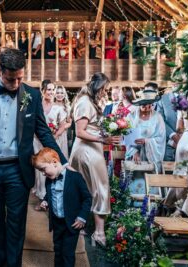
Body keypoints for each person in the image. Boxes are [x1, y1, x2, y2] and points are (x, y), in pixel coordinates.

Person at [0, 48, 66, 267]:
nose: (17, 84)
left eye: (20, 78)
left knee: (17, 224)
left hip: (18, 171)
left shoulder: (32, 95)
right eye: (11, 79)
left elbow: (43, 131)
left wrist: (63, 162)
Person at [69, 73, 115, 246]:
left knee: (89, 188)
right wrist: (103, 139)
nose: (105, 93)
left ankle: (84, 227)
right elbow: (80, 132)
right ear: (98, 87)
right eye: (104, 89)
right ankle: (99, 233)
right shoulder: (84, 102)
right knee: (99, 187)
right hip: (86, 150)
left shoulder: (89, 102)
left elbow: (91, 128)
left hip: (90, 148)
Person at [32, 147, 90, 267]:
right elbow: (50, 194)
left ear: (54, 162)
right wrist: (45, 201)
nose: (43, 173)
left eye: (43, 169)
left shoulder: (75, 177)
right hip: (57, 222)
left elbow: (87, 198)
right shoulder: (49, 180)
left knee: (67, 253)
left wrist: (82, 217)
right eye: (40, 171)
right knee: (58, 250)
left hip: (72, 223)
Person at [33, 81, 71, 211]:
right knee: (40, 168)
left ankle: (51, 198)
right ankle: (42, 197)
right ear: (42, 90)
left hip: (54, 140)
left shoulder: (58, 108)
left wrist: (52, 138)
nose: (51, 92)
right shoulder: (37, 106)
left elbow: (62, 126)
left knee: (53, 166)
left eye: (52, 90)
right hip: (37, 141)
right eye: (48, 89)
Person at [125, 88, 167, 172]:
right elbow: (127, 137)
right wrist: (134, 152)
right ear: (139, 104)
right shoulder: (131, 116)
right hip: (134, 156)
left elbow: (161, 138)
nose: (147, 107)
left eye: (149, 105)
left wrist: (147, 141)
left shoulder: (158, 117)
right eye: (144, 104)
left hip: (151, 156)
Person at [153, 83, 179, 162]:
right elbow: (159, 120)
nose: (176, 83)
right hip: (169, 143)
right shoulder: (163, 99)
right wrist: (173, 135)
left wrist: (184, 139)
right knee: (167, 171)